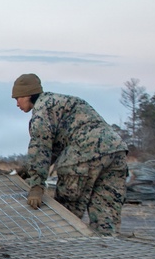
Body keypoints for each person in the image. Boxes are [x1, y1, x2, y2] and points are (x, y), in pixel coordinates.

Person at [12, 73, 128, 236]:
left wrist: (36, 184)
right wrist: (27, 170)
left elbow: (40, 146)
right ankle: (106, 252)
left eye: (18, 98)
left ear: (28, 94)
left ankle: (64, 253)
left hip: (83, 155)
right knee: (106, 215)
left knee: (66, 216)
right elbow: (55, 148)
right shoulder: (64, 102)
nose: (16, 103)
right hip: (116, 150)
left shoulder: (41, 111)